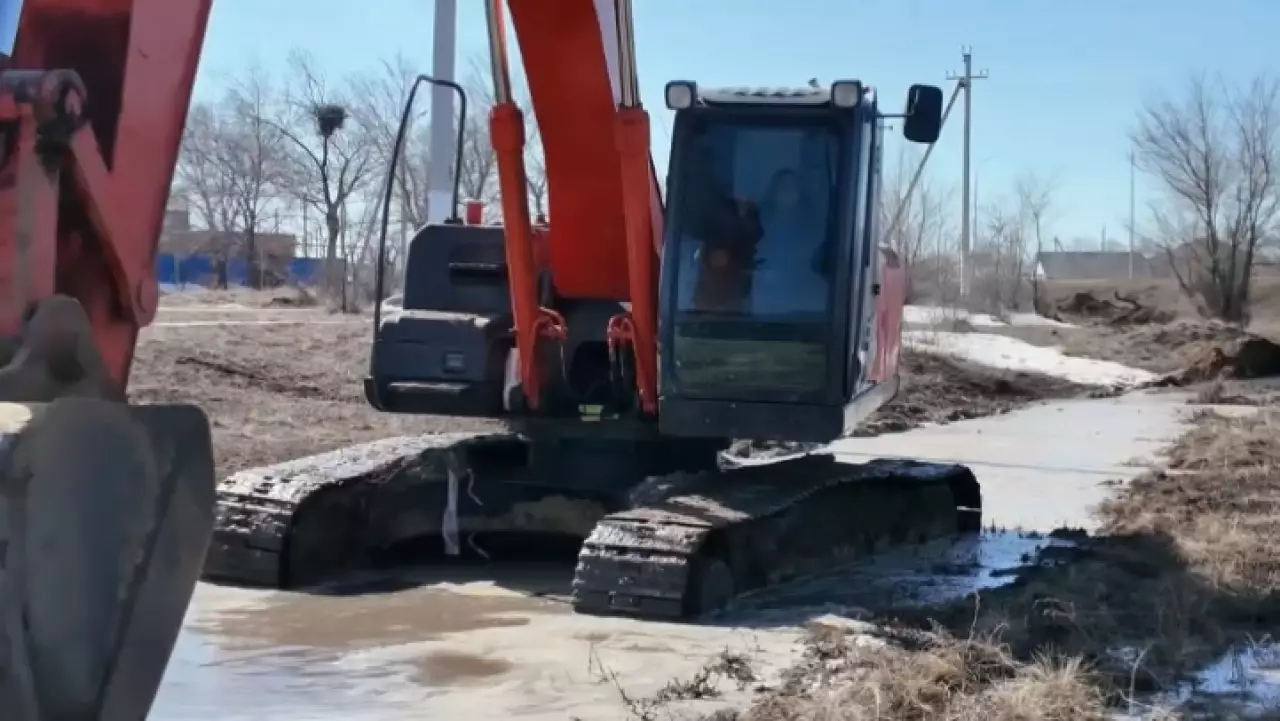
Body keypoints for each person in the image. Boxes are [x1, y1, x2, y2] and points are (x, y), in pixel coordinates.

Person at [749, 169, 829, 316]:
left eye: (792, 188)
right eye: (783, 187)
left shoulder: (811, 228)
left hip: (799, 302)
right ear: (774, 192)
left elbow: (812, 265)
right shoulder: (757, 223)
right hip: (764, 299)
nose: (788, 193)